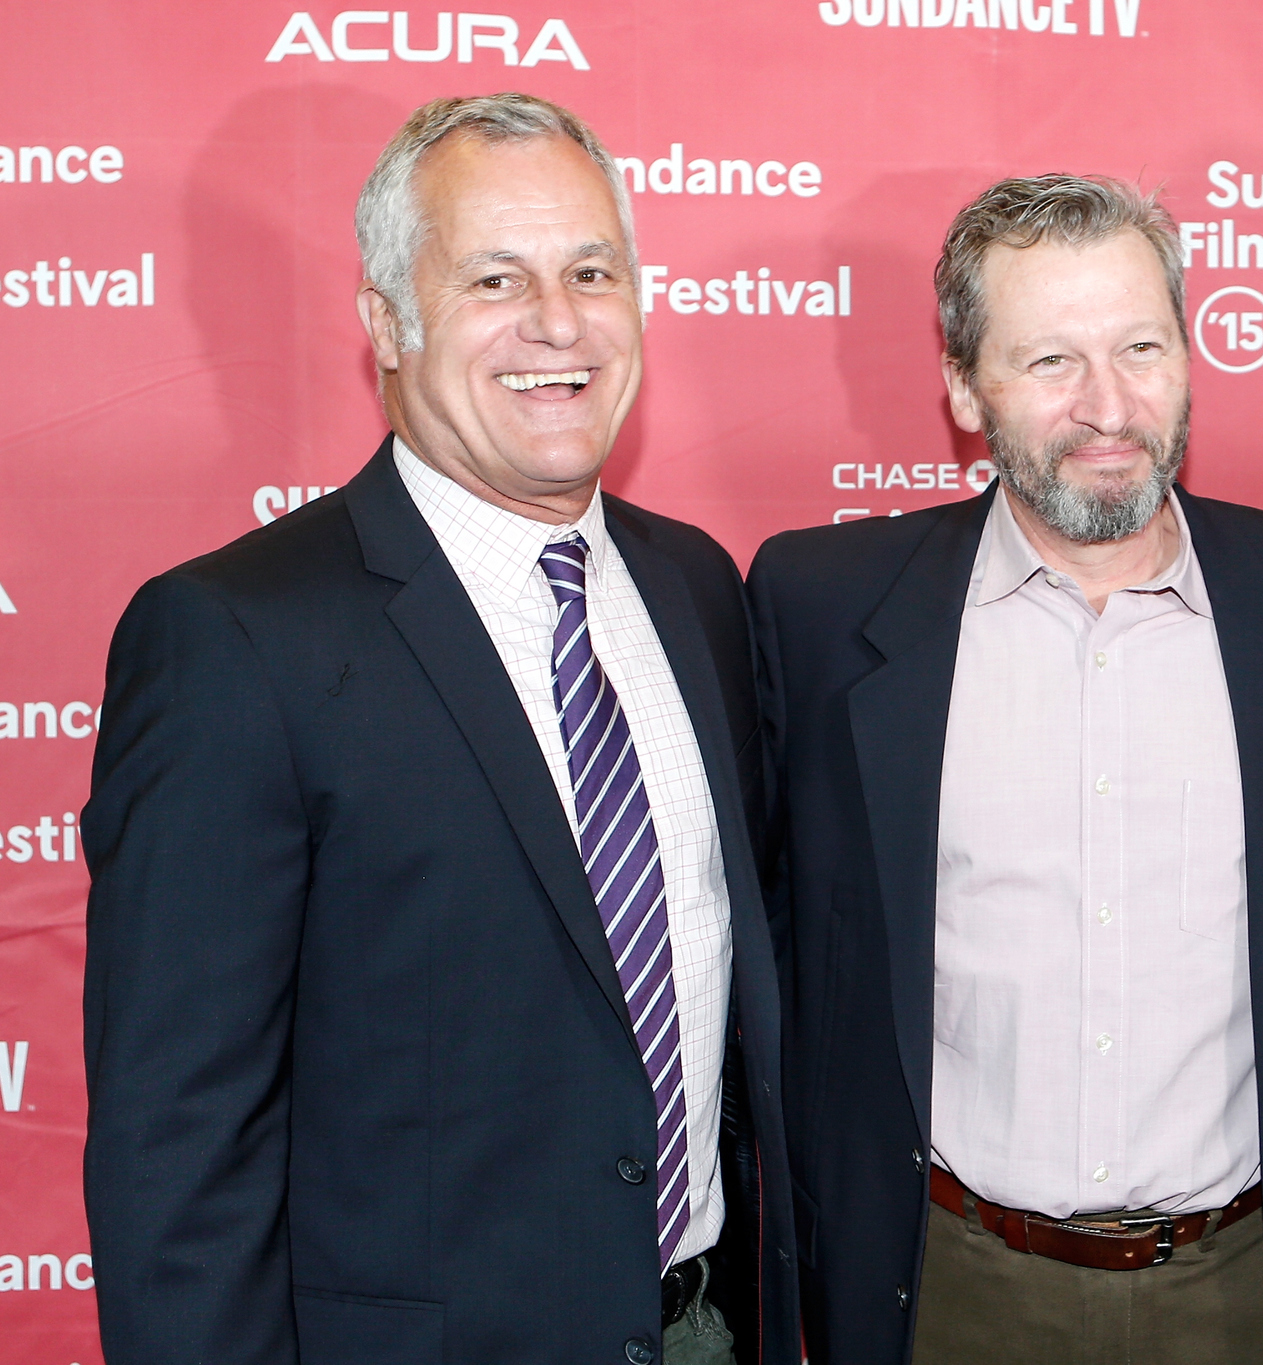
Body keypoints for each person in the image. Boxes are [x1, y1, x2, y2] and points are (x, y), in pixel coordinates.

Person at [81, 94, 798, 1365]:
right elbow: (176, 1142)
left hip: (700, 1330)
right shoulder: (232, 639)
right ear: (385, 325)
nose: (557, 323)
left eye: (592, 271)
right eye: (492, 278)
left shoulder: (698, 588)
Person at [748, 175, 1263, 1365]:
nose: (1109, 406)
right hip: (945, 1291)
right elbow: (770, 955)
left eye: (1141, 348)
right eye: (1049, 361)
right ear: (960, 385)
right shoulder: (820, 611)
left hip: (1246, 1291)